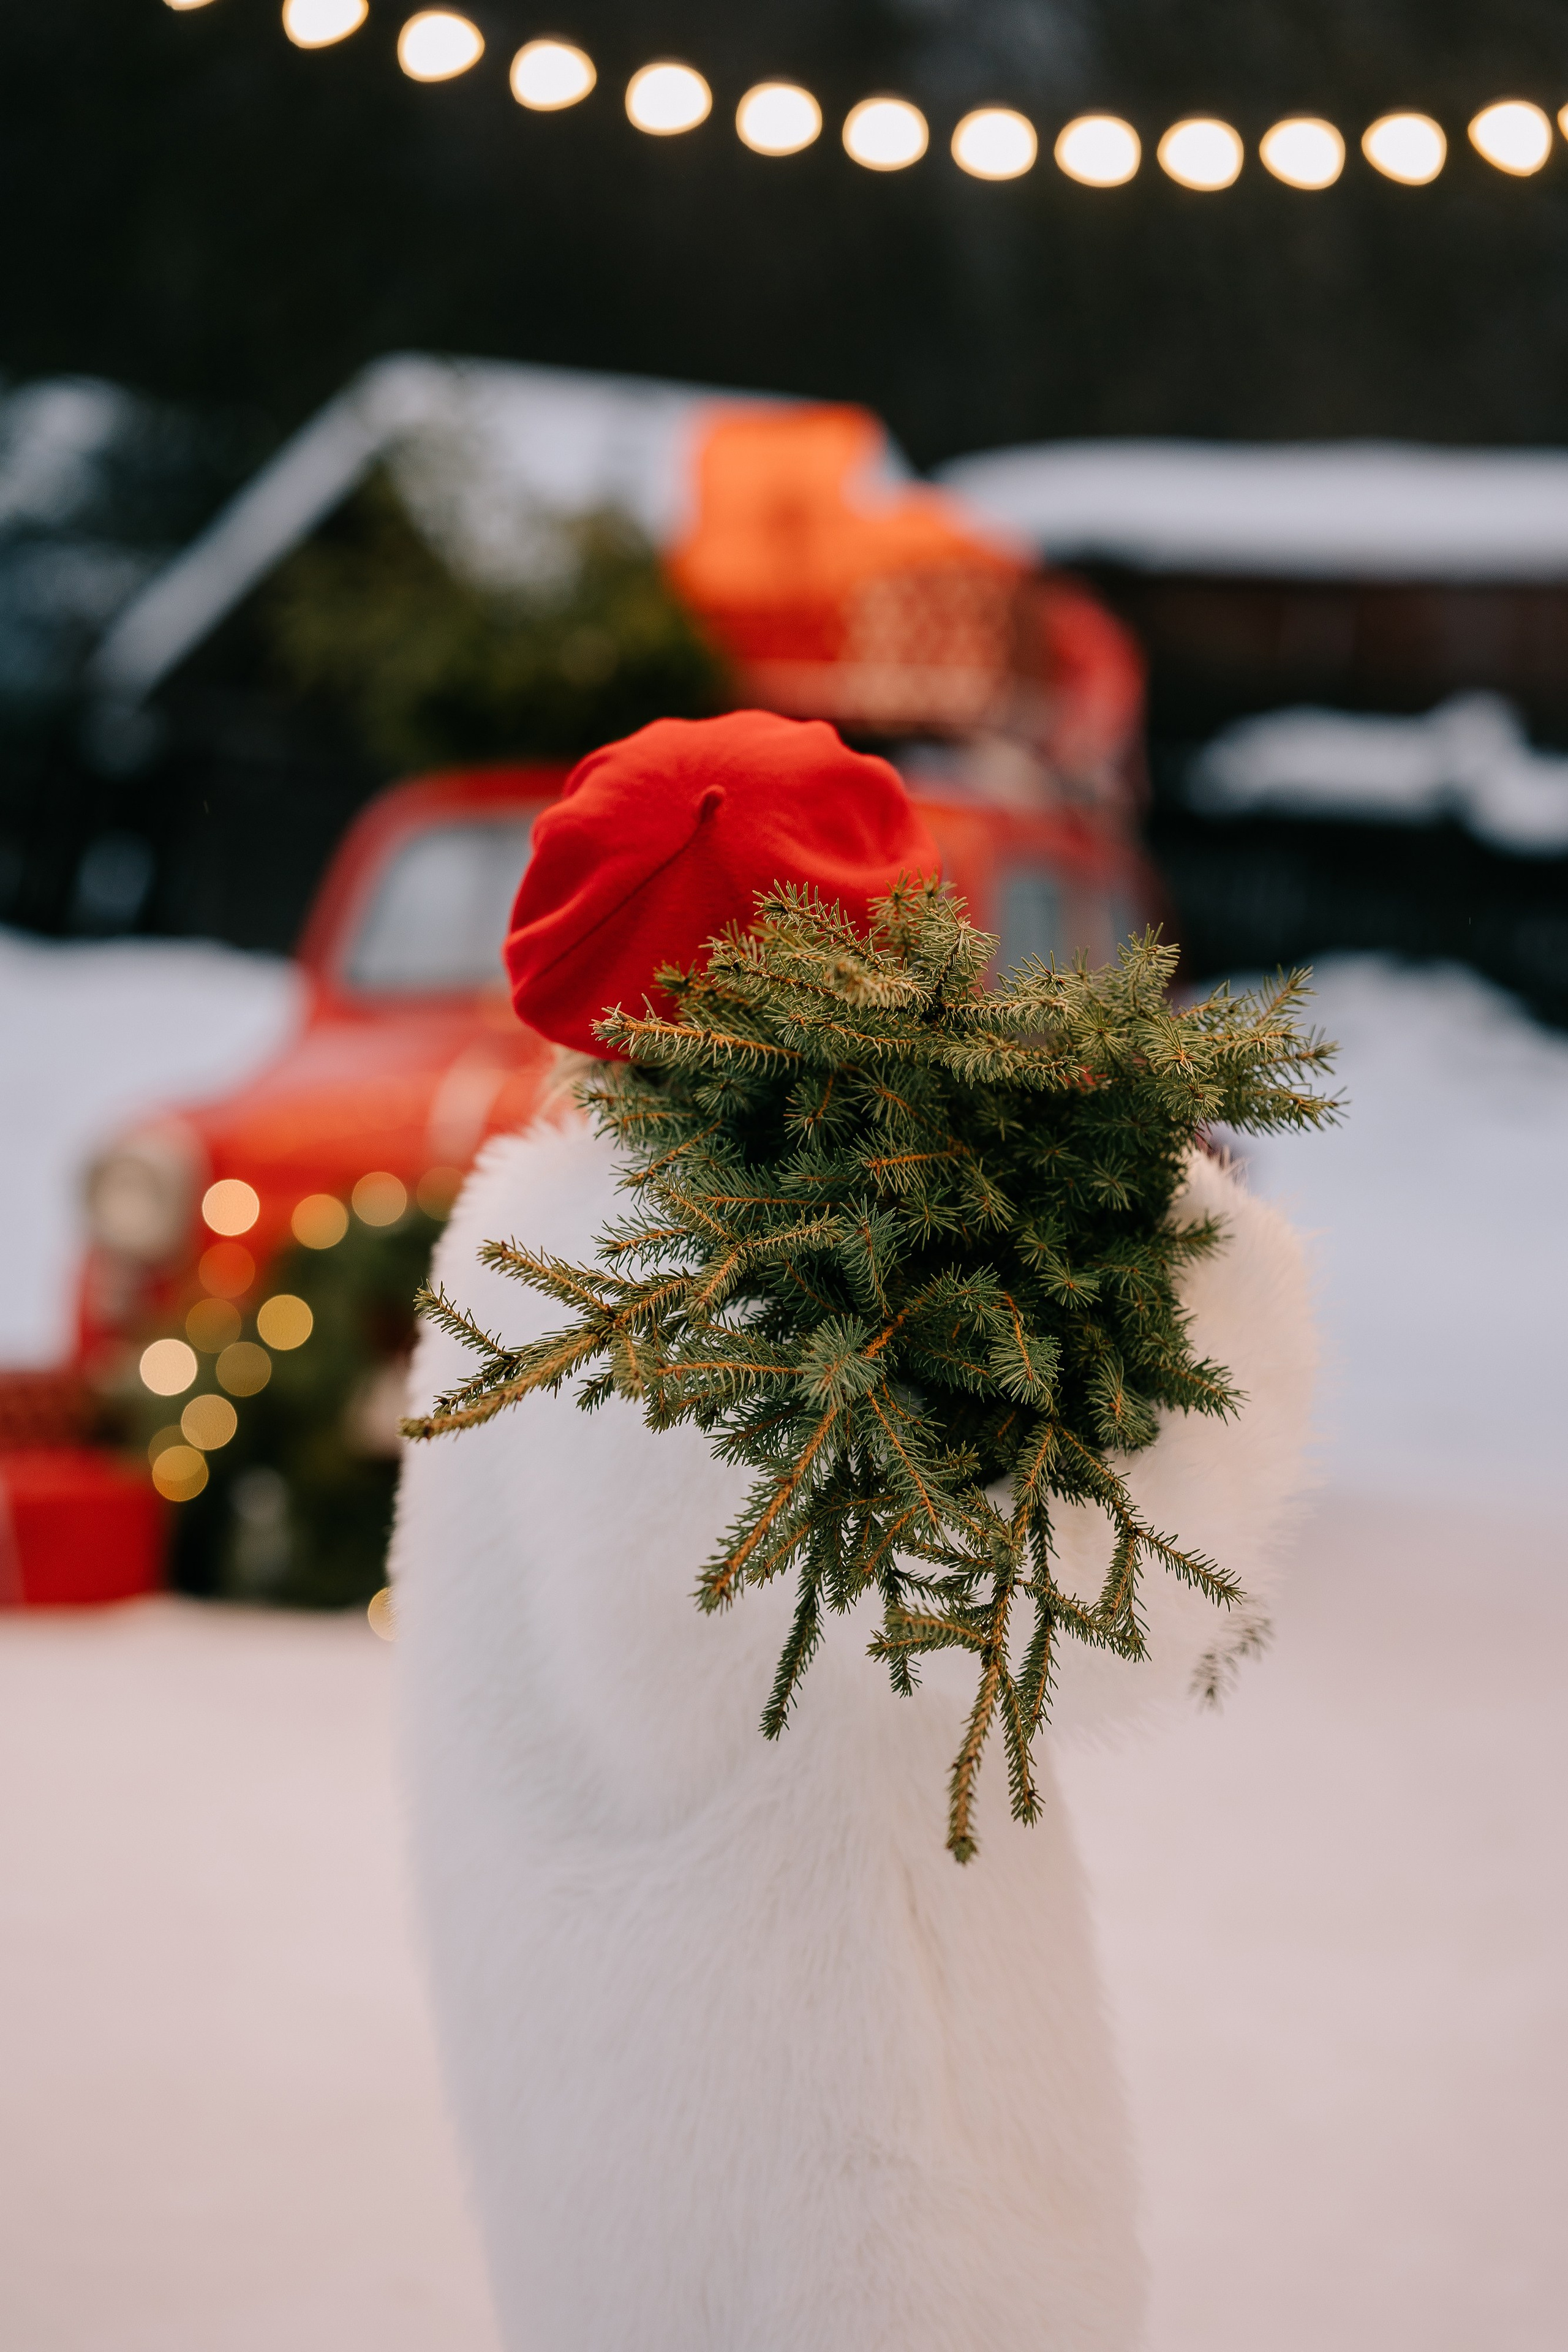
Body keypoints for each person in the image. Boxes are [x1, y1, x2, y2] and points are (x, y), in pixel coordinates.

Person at [391, 710, 1316, 2351]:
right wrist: (1212, 1270)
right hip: (855, 2204)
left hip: (631, 2158)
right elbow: (1054, 1624)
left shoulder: (528, 1265)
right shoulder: (749, 1307)